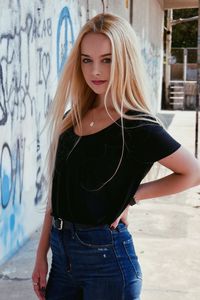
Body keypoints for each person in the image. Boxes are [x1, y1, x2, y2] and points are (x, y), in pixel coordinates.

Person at [32, 13, 200, 300]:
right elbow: (56, 194)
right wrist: (41, 256)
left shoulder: (137, 126)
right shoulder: (71, 119)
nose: (95, 70)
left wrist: (132, 196)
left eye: (107, 59)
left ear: (124, 60)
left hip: (108, 263)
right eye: (87, 60)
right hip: (62, 260)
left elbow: (193, 172)